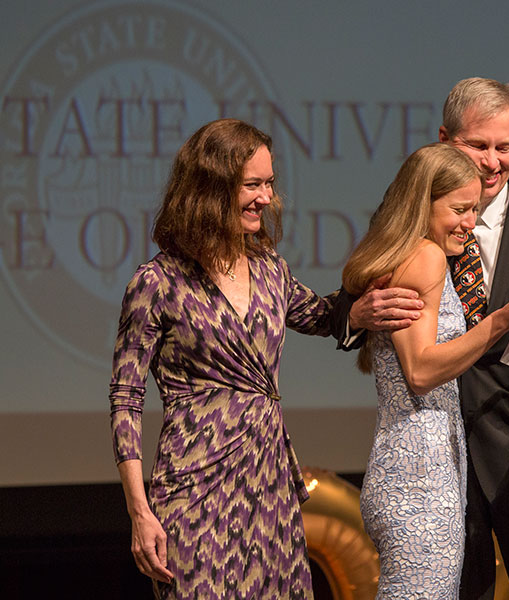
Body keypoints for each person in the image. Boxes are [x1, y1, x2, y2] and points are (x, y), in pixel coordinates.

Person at [348, 77, 509, 600]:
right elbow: (356, 303)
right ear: (445, 139)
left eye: (503, 147)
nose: (491, 162)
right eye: (477, 145)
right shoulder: (408, 226)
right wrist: (356, 313)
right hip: (440, 466)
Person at [109, 119, 345, 599]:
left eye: (270, 183)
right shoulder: (157, 283)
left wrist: (383, 282)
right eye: (251, 185)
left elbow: (325, 317)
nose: (266, 197)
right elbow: (126, 397)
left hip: (270, 488)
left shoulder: (270, 268)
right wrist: (140, 509)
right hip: (194, 494)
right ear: (211, 189)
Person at [342, 142, 509, 599]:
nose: (469, 223)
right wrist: (501, 321)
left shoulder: (418, 255)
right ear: (423, 203)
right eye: (459, 209)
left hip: (422, 464)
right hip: (418, 475)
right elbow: (419, 371)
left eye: (474, 210)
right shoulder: (426, 257)